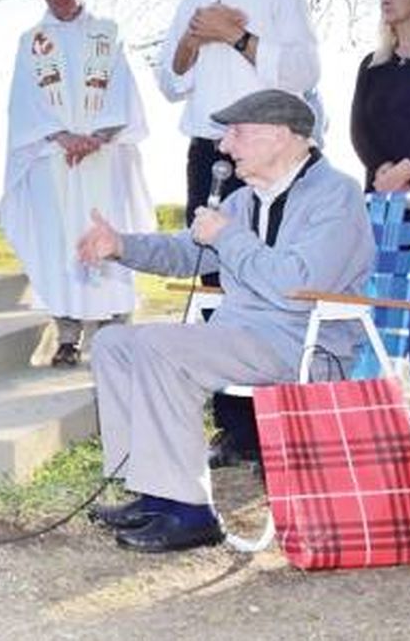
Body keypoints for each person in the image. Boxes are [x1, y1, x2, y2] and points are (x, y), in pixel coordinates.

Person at [78, 89, 372, 552]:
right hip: (241, 336)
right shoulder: (244, 201)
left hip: (302, 343)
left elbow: (297, 286)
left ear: (279, 136)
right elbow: (186, 251)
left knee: (160, 345)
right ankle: (154, 492)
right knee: (115, 343)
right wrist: (121, 245)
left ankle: (190, 511)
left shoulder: (336, 196)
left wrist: (229, 238)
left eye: (237, 133)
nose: (224, 146)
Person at [154, 0, 321, 467]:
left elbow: (300, 69)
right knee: (216, 283)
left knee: (267, 281)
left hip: (270, 152)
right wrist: (194, 43)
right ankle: (234, 428)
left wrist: (239, 36)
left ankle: (284, 420)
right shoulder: (190, 0)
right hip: (209, 149)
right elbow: (171, 82)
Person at [0, 0, 153, 366]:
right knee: (62, 243)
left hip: (104, 154)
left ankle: (113, 333)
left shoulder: (106, 34)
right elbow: (24, 104)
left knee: (107, 234)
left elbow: (122, 89)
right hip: (54, 159)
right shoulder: (31, 43)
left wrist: (98, 136)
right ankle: (68, 335)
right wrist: (64, 137)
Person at [350, 0, 410, 433]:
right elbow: (358, 128)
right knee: (395, 301)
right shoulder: (372, 66)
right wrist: (383, 168)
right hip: (385, 202)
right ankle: (384, 395)